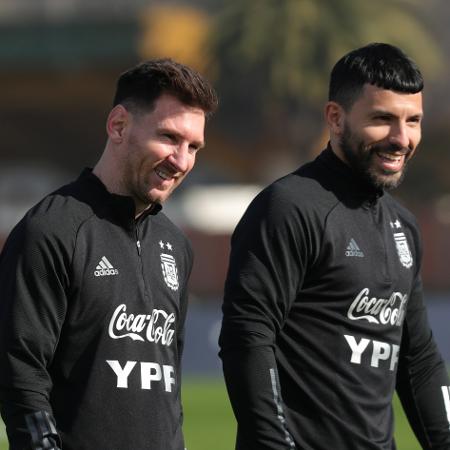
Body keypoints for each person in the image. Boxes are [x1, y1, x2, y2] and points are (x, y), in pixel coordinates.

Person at [219, 43, 450, 450]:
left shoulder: (404, 227)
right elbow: (248, 337)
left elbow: (418, 361)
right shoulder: (289, 207)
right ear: (335, 118)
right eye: (382, 119)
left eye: (413, 121)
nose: (401, 138)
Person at [0, 58, 217, 450]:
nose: (181, 161)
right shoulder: (51, 230)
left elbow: (169, 389)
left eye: (193, 147)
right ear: (118, 125)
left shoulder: (176, 245)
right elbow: (21, 376)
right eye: (169, 137)